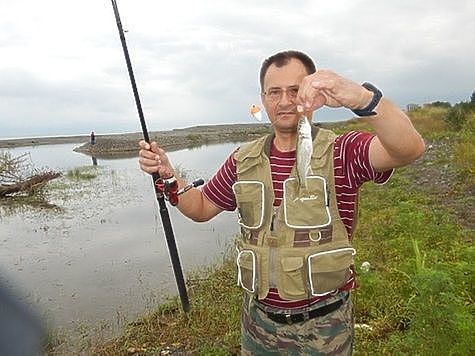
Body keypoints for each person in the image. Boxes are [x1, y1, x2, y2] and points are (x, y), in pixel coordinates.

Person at [138, 50, 425, 355]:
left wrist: (358, 97)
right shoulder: (242, 159)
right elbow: (200, 207)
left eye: (295, 90)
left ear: (315, 94)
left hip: (324, 329)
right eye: (275, 92)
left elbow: (410, 148)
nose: (285, 101)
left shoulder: (344, 151)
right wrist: (170, 177)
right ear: (263, 98)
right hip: (257, 325)